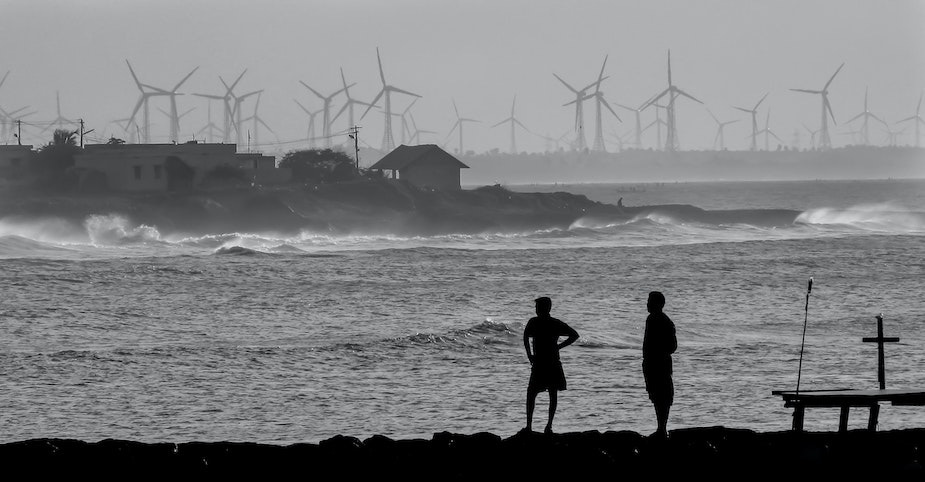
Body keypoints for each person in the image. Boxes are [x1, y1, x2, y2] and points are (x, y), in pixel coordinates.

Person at [523, 296, 580, 434]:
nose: (536, 310)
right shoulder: (553, 323)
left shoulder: (535, 322)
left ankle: (534, 426)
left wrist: (530, 355)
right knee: (548, 394)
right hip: (549, 362)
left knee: (533, 394)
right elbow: (574, 335)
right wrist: (558, 347)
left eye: (537, 307)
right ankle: (546, 426)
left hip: (543, 363)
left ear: (545, 308)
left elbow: (525, 337)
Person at [642, 291, 678, 439]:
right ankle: (661, 428)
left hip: (658, 362)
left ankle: (661, 429)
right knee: (658, 394)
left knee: (660, 394)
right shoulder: (659, 319)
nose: (647, 304)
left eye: (650, 301)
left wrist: (657, 353)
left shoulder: (656, 319)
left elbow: (672, 346)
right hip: (656, 362)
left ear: (658, 304)